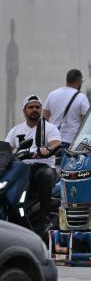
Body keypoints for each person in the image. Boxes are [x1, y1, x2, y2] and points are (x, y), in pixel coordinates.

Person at [5, 95, 61, 231]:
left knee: (45, 175)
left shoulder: (49, 128)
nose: (34, 109)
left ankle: (44, 217)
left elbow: (55, 143)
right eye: (30, 107)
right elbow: (7, 147)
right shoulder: (16, 130)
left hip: (43, 166)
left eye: (37, 107)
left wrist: (47, 149)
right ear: (24, 111)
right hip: (22, 168)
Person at [43, 69, 90, 148]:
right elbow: (87, 121)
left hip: (54, 140)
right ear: (78, 81)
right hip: (72, 140)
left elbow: (44, 118)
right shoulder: (81, 97)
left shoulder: (52, 94)